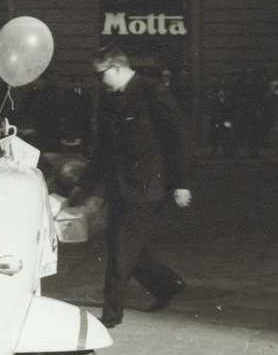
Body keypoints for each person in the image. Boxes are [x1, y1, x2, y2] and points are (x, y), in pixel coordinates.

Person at [68, 45, 192, 329]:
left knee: (120, 250)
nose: (97, 81)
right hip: (120, 187)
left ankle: (111, 316)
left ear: (116, 67)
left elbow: (177, 139)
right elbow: (103, 149)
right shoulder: (108, 98)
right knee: (130, 249)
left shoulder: (151, 91)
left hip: (148, 187)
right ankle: (167, 285)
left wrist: (181, 183)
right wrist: (83, 186)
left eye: (100, 75)